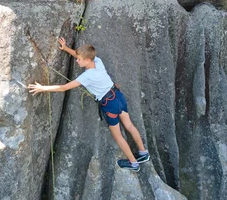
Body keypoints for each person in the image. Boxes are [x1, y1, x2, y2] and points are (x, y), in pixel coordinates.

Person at [28, 37, 150, 171]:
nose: (77, 60)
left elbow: (64, 87)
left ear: (87, 60)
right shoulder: (97, 61)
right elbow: (79, 54)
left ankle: (134, 164)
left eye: (79, 60)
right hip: (118, 95)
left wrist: (43, 88)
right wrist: (66, 48)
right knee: (129, 125)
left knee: (118, 135)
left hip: (110, 104)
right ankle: (143, 153)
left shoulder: (87, 76)